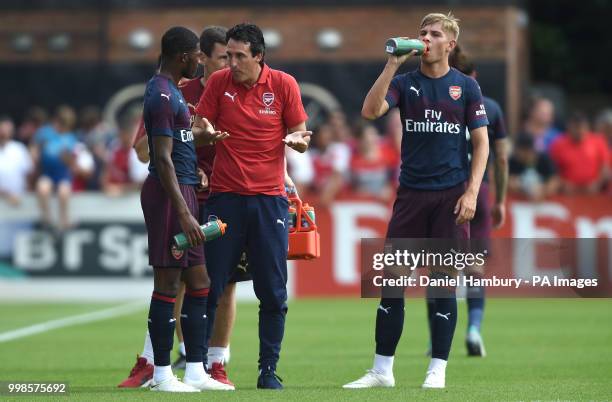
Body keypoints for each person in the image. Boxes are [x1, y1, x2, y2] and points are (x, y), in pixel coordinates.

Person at [343, 12, 489, 389]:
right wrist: (392, 64)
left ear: (449, 45)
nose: (425, 38)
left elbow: (482, 143)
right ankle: (381, 370)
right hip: (410, 195)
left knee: (442, 284)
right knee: (392, 282)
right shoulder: (405, 82)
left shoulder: (465, 88)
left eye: (434, 33)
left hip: (451, 198)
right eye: (422, 32)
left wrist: (472, 191)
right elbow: (370, 111)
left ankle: (436, 370)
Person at [118, 26, 251, 389]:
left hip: (197, 192)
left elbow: (178, 143)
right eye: (222, 56)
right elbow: (158, 156)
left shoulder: (173, 92)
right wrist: (184, 210)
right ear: (194, 56)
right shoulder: (165, 94)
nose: (229, 63)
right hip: (174, 197)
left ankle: (198, 368)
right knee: (169, 282)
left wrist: (200, 139)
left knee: (203, 281)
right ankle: (159, 371)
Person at [192, 23, 311, 389]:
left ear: (259, 56)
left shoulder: (283, 84)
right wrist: (206, 134)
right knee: (211, 285)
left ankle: (268, 369)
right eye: (229, 55)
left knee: (273, 290)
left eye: (240, 55)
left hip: (269, 200)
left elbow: (303, 135)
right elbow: (198, 126)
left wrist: (296, 141)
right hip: (225, 199)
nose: (233, 62)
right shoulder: (218, 83)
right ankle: (198, 367)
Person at [424, 44, 509, 357]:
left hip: (443, 190)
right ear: (473, 75)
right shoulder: (491, 107)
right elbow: (500, 157)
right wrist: (500, 199)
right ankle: (474, 329)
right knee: (474, 267)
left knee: (439, 270)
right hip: (480, 191)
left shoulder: (432, 100)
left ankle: (436, 338)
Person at [30, 105, 78, 231]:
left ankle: (64, 222)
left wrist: (65, 157)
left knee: (64, 192)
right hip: (47, 172)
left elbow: (71, 162)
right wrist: (34, 154)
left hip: (62, 174)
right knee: (42, 188)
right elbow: (34, 147)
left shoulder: (70, 138)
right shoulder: (45, 133)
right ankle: (47, 219)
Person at [549, 111, 610, 194]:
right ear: (569, 127)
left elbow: (605, 167)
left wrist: (598, 183)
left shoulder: (598, 141)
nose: (579, 131)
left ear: (587, 127)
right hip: (567, 192)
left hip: (594, 192)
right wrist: (563, 183)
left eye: (582, 128)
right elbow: (552, 170)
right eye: (576, 128)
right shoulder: (558, 144)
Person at [509, 134, 559, 200]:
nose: (525, 155)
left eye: (528, 151)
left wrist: (543, 190)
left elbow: (555, 180)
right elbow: (508, 181)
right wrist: (523, 188)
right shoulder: (513, 160)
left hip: (543, 200)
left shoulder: (543, 159)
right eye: (522, 151)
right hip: (519, 200)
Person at [0, 116, 33, 206]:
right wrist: (6, 194)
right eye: (2, 129)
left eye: (6, 130)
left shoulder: (20, 149)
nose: (4, 133)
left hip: (20, 201)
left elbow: (29, 175)